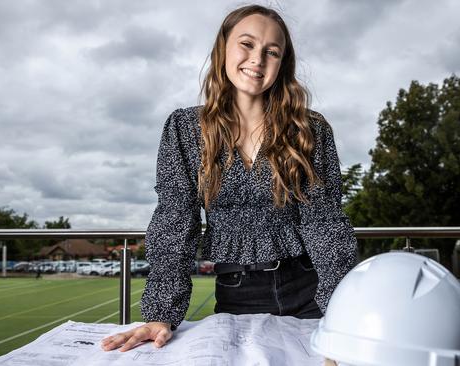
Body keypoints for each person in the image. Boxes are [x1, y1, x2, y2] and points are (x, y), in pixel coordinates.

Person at [101, 4, 358, 352]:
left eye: (272, 51)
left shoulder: (310, 129)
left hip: (309, 290)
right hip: (237, 292)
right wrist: (162, 313)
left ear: (282, 64)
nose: (258, 59)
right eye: (247, 44)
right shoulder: (185, 129)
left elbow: (325, 225)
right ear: (223, 48)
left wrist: (342, 312)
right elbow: (176, 221)